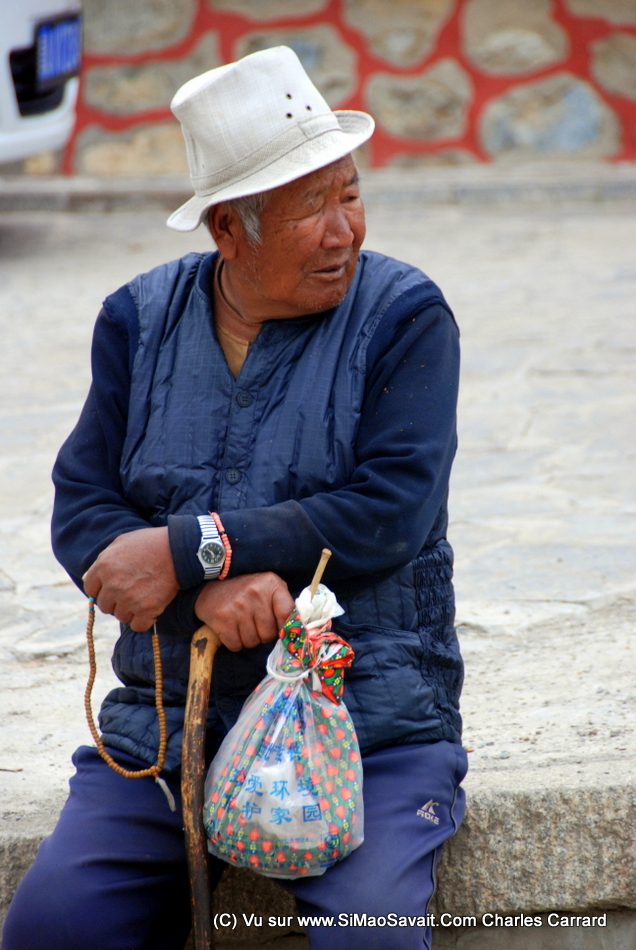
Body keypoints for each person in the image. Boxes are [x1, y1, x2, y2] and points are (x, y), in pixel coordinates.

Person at [2, 47, 466, 950]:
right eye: (310, 208)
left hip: (366, 725)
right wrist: (203, 591)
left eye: (351, 194)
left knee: (368, 938)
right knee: (55, 928)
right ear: (227, 229)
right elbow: (83, 508)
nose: (345, 231)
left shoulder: (406, 317)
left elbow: (391, 510)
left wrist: (188, 551)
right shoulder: (136, 322)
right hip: (166, 728)